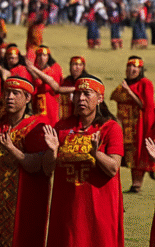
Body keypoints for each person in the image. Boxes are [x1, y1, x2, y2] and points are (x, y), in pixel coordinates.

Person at [44, 76, 124, 247]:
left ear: (100, 98)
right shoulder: (62, 127)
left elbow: (113, 168)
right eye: (77, 94)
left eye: (87, 94)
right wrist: (52, 151)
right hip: (67, 209)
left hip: (99, 209)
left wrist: (95, 154)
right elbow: (46, 169)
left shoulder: (111, 128)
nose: (80, 99)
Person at [0, 76, 51, 247]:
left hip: (26, 202)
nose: (10, 97)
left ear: (27, 98)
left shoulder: (37, 126)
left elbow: (37, 166)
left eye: (16, 93)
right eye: (7, 93)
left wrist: (11, 148)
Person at [110, 56, 155, 192]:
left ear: (140, 69)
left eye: (135, 67)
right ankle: (136, 184)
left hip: (141, 125)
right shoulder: (124, 84)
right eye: (129, 67)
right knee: (130, 154)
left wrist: (129, 91)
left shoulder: (145, 83)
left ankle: (139, 182)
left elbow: (145, 105)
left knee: (141, 152)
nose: (131, 70)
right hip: (127, 126)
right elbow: (117, 101)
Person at [25, 45, 62, 125]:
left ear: (48, 57)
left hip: (50, 111)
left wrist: (33, 68)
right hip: (38, 110)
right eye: (39, 55)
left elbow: (49, 82)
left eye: (44, 55)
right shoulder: (38, 72)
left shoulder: (52, 71)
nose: (41, 58)